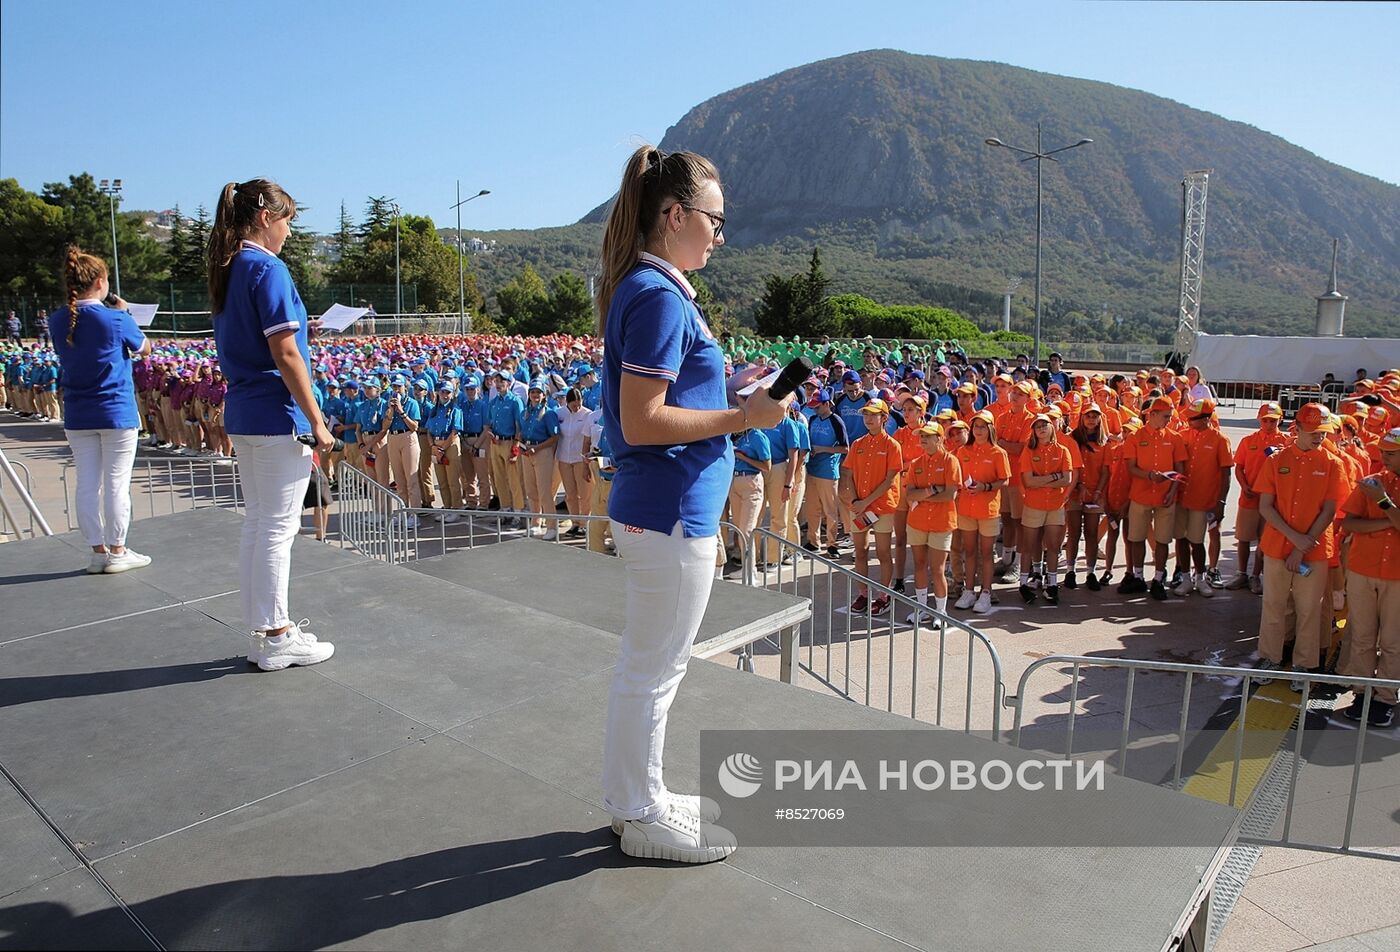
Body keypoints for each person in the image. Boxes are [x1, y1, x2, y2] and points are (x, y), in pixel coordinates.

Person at [596, 145, 786, 863]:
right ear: (674, 216)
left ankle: (636, 797)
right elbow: (643, 419)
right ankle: (640, 812)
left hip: (667, 506)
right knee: (654, 669)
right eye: (715, 219)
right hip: (672, 509)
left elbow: (664, 401)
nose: (720, 233)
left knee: (648, 666)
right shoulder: (656, 295)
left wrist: (728, 387)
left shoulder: (652, 291)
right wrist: (746, 417)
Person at [208, 178, 335, 672]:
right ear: (265, 217)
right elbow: (284, 353)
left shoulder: (230, 267)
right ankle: (277, 634)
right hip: (276, 414)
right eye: (286, 221)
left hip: (244, 410)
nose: (287, 232)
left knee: (260, 524)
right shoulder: (267, 267)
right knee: (278, 529)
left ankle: (266, 630)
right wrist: (318, 421)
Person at [49, 246, 153, 574]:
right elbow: (145, 349)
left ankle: (97, 551)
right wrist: (126, 314)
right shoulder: (116, 319)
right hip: (115, 412)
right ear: (100, 281)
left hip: (78, 413)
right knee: (116, 483)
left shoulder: (57, 320)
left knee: (87, 483)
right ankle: (118, 550)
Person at [1254, 403, 1345, 686]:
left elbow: (1329, 510)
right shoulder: (1275, 460)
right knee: (1273, 605)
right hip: (1279, 546)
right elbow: (1266, 507)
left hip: (1313, 549)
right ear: (1299, 427)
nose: (1320, 437)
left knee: (1309, 609)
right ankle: (1270, 657)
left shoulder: (1332, 463)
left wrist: (1301, 546)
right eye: (1315, 431)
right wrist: (1294, 539)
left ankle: (1304, 666)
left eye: (1325, 432)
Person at [1337, 427, 1400, 726]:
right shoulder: (1371, 483)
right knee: (1361, 635)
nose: (1382, 457)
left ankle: (1386, 697)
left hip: (1397, 577)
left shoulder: (1377, 490)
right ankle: (1361, 690)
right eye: (1383, 452)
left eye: (1390, 453)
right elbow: (1349, 523)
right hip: (1363, 571)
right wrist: (1387, 525)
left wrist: (1384, 503)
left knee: (1393, 640)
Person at [839, 399, 903, 615]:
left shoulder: (892, 445)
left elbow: (889, 480)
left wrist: (865, 502)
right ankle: (863, 594)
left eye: (873, 415)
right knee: (860, 551)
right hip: (860, 507)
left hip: (881, 507)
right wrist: (856, 501)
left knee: (883, 552)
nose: (868, 419)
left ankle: (884, 596)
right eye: (865, 414)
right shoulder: (858, 444)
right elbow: (848, 473)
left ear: (884, 418)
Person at [1122, 396, 1189, 601]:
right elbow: (1131, 467)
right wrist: (1149, 475)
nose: (1169, 420)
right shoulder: (1135, 437)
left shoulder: (1174, 437)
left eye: (1170, 416)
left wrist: (1172, 491)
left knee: (1162, 540)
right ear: (1152, 415)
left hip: (1165, 498)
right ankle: (1139, 577)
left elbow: (1180, 470)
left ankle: (1159, 579)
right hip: (1140, 495)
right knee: (1136, 538)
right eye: (1166, 416)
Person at [1171, 398, 1233, 597]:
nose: (1188, 421)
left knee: (1196, 541)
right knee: (1180, 538)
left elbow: (1226, 473)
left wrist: (1221, 502)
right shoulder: (1182, 436)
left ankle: (1200, 577)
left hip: (1203, 499)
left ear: (1206, 418)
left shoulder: (1220, 440)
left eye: (1193, 418)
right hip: (1181, 497)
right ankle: (1185, 577)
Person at [1225, 403, 1288, 592]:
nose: (1269, 424)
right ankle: (1241, 573)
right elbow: (1239, 467)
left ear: (1280, 420)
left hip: (1273, 501)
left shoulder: (1286, 442)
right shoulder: (1248, 440)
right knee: (1243, 537)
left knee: (1264, 539)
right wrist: (1244, 486)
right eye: (1265, 420)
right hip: (1250, 497)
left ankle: (1256, 576)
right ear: (1259, 420)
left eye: (1273, 421)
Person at [902, 421, 960, 622]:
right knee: (919, 565)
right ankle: (922, 608)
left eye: (928, 435)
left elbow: (950, 495)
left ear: (939, 438)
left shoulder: (950, 461)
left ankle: (940, 611)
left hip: (941, 522)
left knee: (937, 569)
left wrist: (922, 496)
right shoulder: (917, 463)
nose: (923, 439)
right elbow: (909, 493)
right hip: (917, 521)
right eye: (921, 436)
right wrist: (931, 490)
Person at [1018, 414, 1075, 605]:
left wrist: (1041, 480)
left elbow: (1067, 479)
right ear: (1033, 431)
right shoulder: (1028, 450)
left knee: (1053, 546)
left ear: (1052, 427)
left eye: (1045, 425)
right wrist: (1053, 477)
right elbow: (1028, 481)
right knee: (1028, 546)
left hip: (1055, 505)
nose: (1041, 429)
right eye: (1037, 426)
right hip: (1033, 504)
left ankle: (1051, 584)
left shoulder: (1063, 450)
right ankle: (1024, 584)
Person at [954, 414, 1009, 613]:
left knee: (986, 553)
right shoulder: (963, 450)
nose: (978, 430)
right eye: (976, 426)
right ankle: (969, 591)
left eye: (983, 427)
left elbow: (1004, 480)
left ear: (991, 429)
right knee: (969, 551)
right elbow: (957, 476)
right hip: (967, 508)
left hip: (988, 509)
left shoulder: (998, 452)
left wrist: (985, 486)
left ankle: (986, 592)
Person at [803, 388, 849, 557]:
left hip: (828, 472)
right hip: (812, 470)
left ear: (826, 404)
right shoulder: (813, 419)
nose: (815, 409)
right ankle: (813, 542)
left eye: (817, 406)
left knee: (830, 510)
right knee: (812, 509)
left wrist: (823, 449)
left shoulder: (836, 421)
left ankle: (832, 544)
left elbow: (845, 448)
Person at [519, 378, 561, 538]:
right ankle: (536, 522)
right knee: (531, 490)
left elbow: (555, 436)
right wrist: (521, 440)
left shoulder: (549, 413)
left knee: (544, 491)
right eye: (533, 392)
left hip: (542, 452)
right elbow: (522, 431)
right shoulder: (525, 412)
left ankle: (552, 526)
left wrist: (537, 448)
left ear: (544, 395)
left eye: (538, 392)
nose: (535, 395)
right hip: (527, 452)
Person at [555, 387, 595, 538]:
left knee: (585, 493)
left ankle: (585, 523)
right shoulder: (559, 413)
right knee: (570, 493)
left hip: (580, 459)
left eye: (579, 404)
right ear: (567, 402)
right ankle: (575, 522)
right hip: (564, 458)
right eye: (573, 405)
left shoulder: (587, 414)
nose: (576, 407)